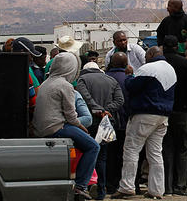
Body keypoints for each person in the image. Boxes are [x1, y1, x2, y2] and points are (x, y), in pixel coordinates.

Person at [112, 46, 177, 199]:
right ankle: (156, 190)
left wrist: (129, 75)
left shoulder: (148, 68)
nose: (144, 58)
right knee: (155, 153)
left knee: (132, 150)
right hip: (163, 116)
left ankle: (127, 187)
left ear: (151, 54)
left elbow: (131, 87)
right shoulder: (170, 69)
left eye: (146, 55)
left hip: (144, 114)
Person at [32, 53, 100, 200]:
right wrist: (82, 128)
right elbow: (71, 116)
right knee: (93, 146)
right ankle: (81, 186)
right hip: (57, 128)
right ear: (72, 69)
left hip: (41, 129)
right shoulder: (65, 85)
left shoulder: (46, 83)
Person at [77, 61, 125, 200]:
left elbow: (85, 97)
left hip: (89, 122)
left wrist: (97, 109)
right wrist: (106, 110)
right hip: (107, 123)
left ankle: (85, 186)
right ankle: (101, 190)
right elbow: (120, 100)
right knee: (103, 157)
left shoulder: (82, 79)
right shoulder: (111, 80)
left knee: (87, 153)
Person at [160, 35, 187, 196]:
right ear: (177, 47)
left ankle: (167, 186)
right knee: (183, 149)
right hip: (183, 112)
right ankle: (181, 185)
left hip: (163, 112)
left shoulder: (158, 64)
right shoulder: (186, 64)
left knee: (166, 149)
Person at [105, 52, 132, 194]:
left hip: (108, 122)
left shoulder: (105, 78)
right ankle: (123, 183)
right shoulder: (129, 79)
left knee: (109, 155)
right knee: (124, 154)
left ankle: (109, 184)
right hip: (125, 122)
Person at [11, 37, 42, 113]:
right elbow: (34, 98)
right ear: (22, 53)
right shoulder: (25, 70)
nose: (32, 59)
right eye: (30, 55)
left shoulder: (4, 67)